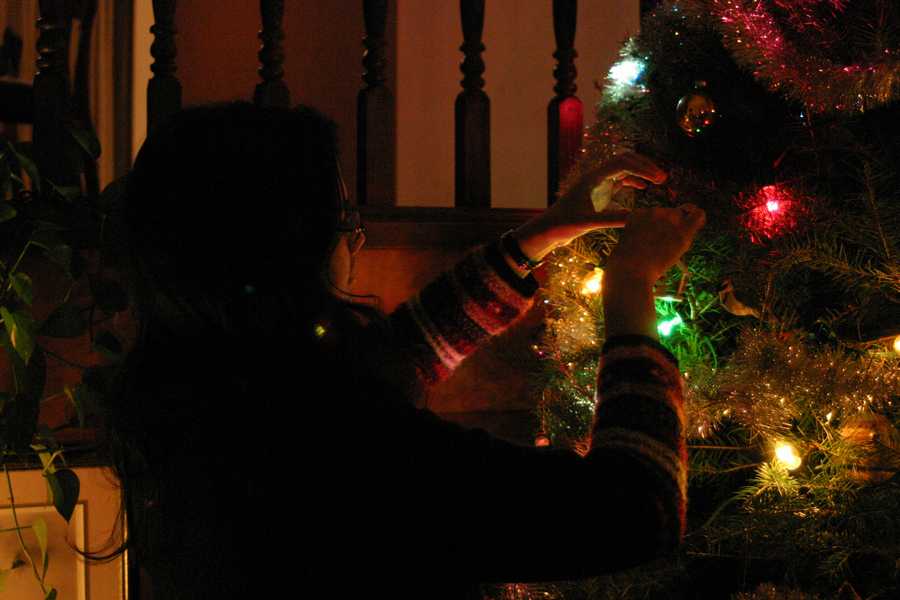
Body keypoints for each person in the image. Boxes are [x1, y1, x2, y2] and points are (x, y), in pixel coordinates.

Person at [100, 101, 704, 599]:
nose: (354, 241)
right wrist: (630, 288)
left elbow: (391, 360)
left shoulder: (211, 390)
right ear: (291, 251)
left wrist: (540, 237)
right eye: (342, 220)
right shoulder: (341, 451)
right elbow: (634, 512)